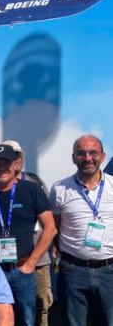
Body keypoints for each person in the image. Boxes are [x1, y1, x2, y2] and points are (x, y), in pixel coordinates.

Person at [0, 144, 56, 326]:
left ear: (15, 164)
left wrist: (31, 264)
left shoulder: (31, 189)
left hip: (21, 270)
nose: (1, 168)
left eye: (6, 163)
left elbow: (50, 228)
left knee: (26, 320)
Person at [50, 135, 113, 326]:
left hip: (109, 270)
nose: (87, 158)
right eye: (81, 153)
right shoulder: (60, 189)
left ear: (102, 156)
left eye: (93, 153)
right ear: (73, 157)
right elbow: (54, 228)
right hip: (73, 270)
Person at [2, 140, 53, 326]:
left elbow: (50, 222)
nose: (14, 160)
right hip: (6, 264)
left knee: (41, 304)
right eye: (9, 157)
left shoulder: (36, 183)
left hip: (38, 261)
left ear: (21, 158)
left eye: (17, 155)